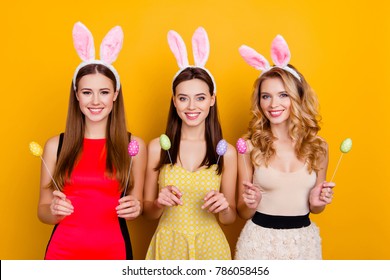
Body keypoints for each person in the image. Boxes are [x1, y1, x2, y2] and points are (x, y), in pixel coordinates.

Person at [37, 22, 146, 260]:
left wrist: (136, 208)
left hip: (114, 252)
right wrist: (53, 211)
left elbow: (138, 203)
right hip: (62, 253)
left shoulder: (134, 146)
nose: (95, 101)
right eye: (87, 92)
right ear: (76, 95)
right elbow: (42, 211)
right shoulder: (55, 145)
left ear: (115, 94)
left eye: (104, 92)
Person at [235, 35, 335, 260]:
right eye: (266, 96)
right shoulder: (249, 146)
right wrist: (250, 203)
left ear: (297, 97)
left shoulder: (319, 147)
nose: (273, 104)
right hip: (257, 244)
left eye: (283, 95)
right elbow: (242, 211)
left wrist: (318, 203)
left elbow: (316, 208)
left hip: (304, 244)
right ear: (259, 102)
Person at [143, 27, 237, 260]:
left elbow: (230, 218)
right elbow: (147, 212)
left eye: (201, 98)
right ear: (174, 101)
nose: (191, 106)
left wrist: (224, 207)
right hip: (168, 245)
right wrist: (157, 202)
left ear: (212, 100)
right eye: (183, 98)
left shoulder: (226, 152)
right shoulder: (157, 147)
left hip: (211, 248)